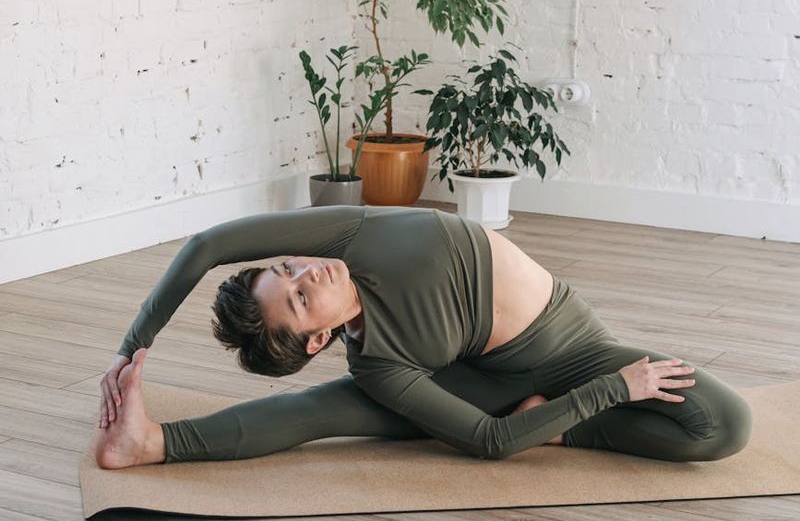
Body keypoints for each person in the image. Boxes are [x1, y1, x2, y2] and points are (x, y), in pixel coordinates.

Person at [95, 204, 752, 469]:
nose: (306, 271)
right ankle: (152, 444)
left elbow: (208, 243)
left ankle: (554, 428)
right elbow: (491, 442)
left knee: (723, 424)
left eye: (287, 268)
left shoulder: (347, 237)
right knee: (325, 410)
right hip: (486, 390)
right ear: (318, 340)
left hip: (570, 348)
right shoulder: (378, 366)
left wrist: (132, 346)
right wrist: (614, 391)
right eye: (299, 297)